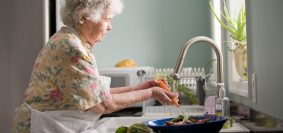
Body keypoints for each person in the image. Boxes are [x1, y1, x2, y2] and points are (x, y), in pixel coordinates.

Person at [11, 0, 177, 132]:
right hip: (42, 128)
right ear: (84, 16)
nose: (110, 27)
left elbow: (96, 94)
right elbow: (103, 104)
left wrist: (142, 87)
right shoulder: (71, 47)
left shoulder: (73, 41)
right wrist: (151, 92)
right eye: (107, 19)